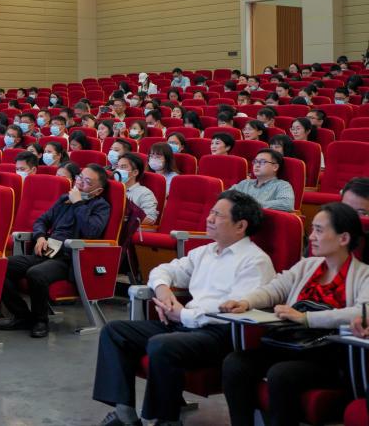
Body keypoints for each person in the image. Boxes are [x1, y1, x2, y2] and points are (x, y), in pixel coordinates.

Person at [92, 191, 274, 426]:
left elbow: (235, 312)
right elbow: (163, 270)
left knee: (162, 345)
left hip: (220, 334)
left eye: (218, 215)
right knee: (114, 331)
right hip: (184, 324)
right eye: (211, 212)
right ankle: (124, 415)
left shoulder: (255, 261)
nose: (209, 218)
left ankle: (166, 420)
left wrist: (183, 314)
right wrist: (163, 291)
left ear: (241, 226)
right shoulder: (206, 251)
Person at [220, 203, 369, 426]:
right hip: (291, 345)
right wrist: (245, 302)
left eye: (319, 230)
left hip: (327, 355)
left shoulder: (363, 275)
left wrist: (306, 318)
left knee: (281, 374)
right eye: (312, 229)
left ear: (344, 238)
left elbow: (362, 312)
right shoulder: (307, 266)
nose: (312, 237)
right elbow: (276, 288)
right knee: (235, 363)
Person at [0, 164, 112, 338]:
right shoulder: (64, 199)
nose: (80, 183)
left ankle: (40, 321)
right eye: (80, 178)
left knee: (36, 273)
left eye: (87, 182)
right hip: (48, 251)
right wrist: (40, 237)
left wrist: (79, 203)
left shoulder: (100, 206)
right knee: (0, 266)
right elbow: (41, 221)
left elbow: (91, 232)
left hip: (69, 258)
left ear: (98, 191)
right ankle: (22, 316)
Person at [231, 149, 295, 211]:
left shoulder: (282, 185)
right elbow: (227, 196)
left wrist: (251, 204)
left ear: (275, 167)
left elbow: (287, 204)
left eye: (262, 162)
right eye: (255, 161)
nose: (257, 165)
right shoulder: (245, 183)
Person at [116, 152, 158, 224]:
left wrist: (125, 218)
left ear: (135, 172)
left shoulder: (145, 193)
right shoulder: (113, 189)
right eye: (118, 167)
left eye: (123, 167)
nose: (118, 171)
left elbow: (150, 218)